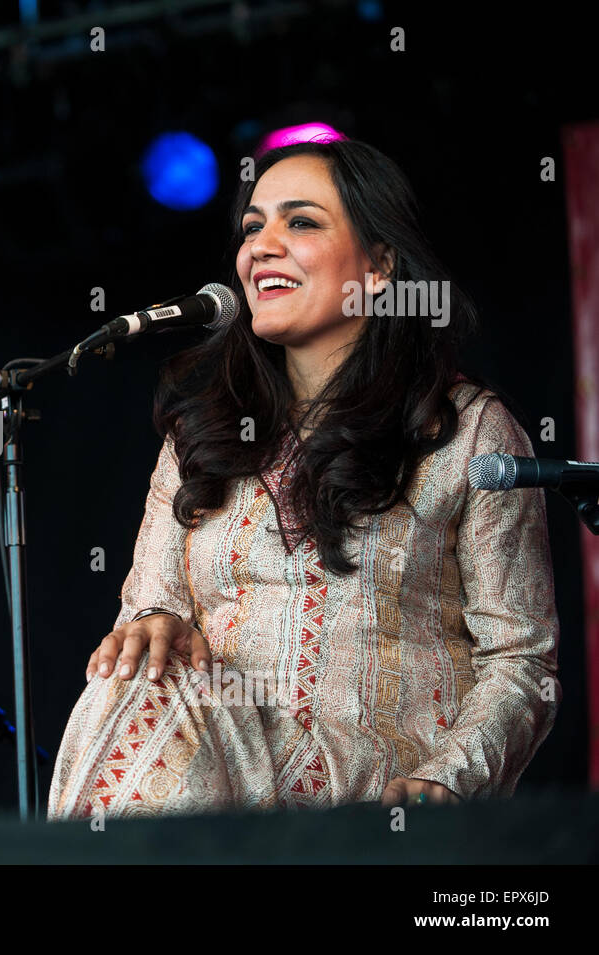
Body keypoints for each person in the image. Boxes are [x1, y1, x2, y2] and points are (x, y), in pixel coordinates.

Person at [47, 138, 560, 819]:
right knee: (133, 678)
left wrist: (451, 779)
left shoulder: (467, 432)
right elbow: (151, 606)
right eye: (252, 226)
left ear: (378, 267)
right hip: (212, 772)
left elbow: (522, 662)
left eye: (301, 221)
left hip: (371, 795)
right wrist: (150, 624)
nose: (260, 245)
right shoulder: (200, 438)